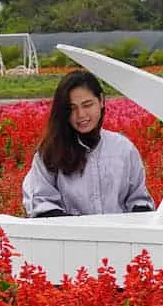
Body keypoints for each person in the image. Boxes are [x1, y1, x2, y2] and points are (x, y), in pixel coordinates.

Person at [22, 69, 155, 218]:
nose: (81, 115)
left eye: (87, 105)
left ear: (101, 101)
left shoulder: (123, 149)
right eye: (72, 108)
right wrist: (82, 228)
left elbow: (139, 200)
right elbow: (41, 204)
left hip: (118, 232)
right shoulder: (51, 151)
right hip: (69, 233)